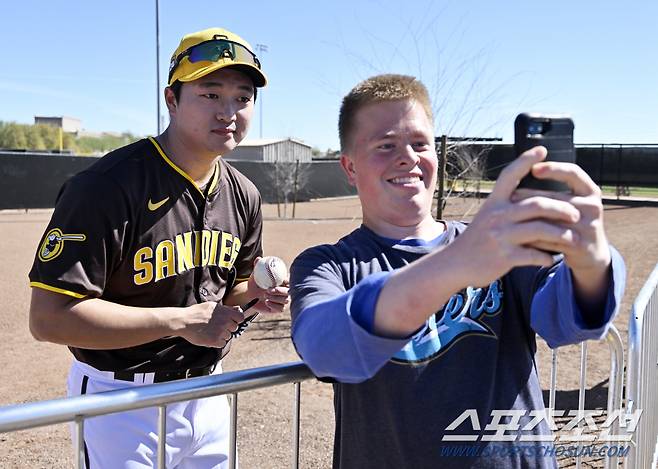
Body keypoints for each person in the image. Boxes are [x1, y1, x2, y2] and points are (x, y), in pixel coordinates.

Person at [289, 74, 625, 468]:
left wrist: (591, 260)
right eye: (386, 145)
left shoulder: (497, 246)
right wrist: (455, 263)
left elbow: (571, 320)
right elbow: (326, 348)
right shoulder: (327, 264)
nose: (408, 157)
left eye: (420, 143)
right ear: (349, 167)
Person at [28, 27, 288, 469]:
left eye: (242, 98)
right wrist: (180, 321)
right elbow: (49, 318)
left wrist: (256, 297)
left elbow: (233, 292)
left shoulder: (244, 194)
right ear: (172, 99)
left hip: (207, 391)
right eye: (210, 93)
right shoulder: (105, 187)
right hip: (121, 400)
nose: (229, 111)